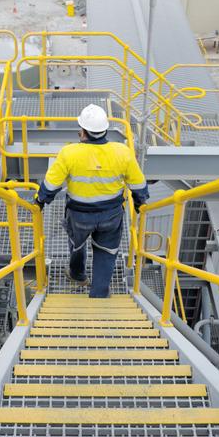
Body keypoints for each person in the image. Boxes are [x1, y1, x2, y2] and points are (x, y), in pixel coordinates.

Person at [34, 104, 149, 298]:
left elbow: (51, 185)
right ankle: (99, 293)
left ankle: (78, 275)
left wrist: (40, 201)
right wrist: (140, 204)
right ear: (105, 130)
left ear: (83, 131)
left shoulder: (69, 153)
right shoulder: (122, 152)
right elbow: (138, 185)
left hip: (79, 215)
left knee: (77, 244)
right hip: (111, 215)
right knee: (106, 252)